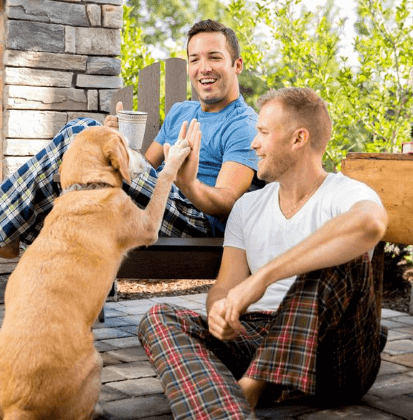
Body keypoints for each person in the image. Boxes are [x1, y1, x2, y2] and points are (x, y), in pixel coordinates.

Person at [138, 87, 389, 419]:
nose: (253, 143)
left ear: (298, 139)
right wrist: (221, 312)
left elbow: (370, 225)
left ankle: (253, 385)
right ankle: (228, 412)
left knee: (343, 258)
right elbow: (226, 286)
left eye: (263, 133)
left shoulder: (346, 193)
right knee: (159, 317)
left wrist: (264, 278)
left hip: (332, 356)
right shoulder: (248, 206)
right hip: (256, 333)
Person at [0, 19, 259, 257]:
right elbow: (143, 169)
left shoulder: (242, 125)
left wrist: (188, 184)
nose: (204, 68)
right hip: (155, 202)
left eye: (214, 57)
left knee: (82, 135)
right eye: (194, 59)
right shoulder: (181, 112)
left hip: (194, 222)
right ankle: (4, 231)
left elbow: (227, 203)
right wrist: (118, 143)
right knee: (84, 132)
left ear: (237, 65)